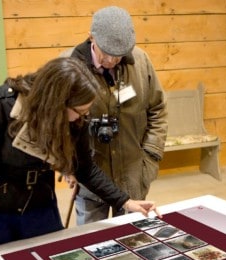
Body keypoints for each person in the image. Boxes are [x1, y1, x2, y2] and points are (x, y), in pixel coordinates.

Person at [0, 57, 162, 258]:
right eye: (79, 111)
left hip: (38, 205)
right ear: (57, 104)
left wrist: (126, 201)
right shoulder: (0, 105)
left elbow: (85, 169)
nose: (83, 117)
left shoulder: (75, 119)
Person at [60, 6, 167, 224]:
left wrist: (151, 156)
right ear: (91, 38)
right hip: (90, 178)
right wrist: (66, 165)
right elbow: (56, 124)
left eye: (119, 55)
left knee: (132, 241)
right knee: (92, 242)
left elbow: (158, 110)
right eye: (106, 52)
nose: (111, 60)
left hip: (134, 175)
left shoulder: (141, 61)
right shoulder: (67, 66)